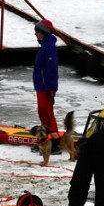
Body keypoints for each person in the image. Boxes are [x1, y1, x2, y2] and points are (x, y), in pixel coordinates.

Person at [31, 19, 60, 153]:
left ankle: (55, 143)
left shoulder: (49, 47)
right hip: (40, 86)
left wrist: (51, 89)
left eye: (37, 31)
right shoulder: (44, 46)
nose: (35, 34)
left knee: (48, 114)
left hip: (46, 87)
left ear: (43, 32)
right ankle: (44, 140)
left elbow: (51, 70)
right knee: (42, 112)